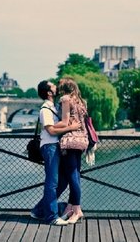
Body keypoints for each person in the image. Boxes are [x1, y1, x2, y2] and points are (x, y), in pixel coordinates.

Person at [31, 80, 80, 226]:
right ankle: (51, 217)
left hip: (57, 147)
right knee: (52, 183)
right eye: (53, 85)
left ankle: (39, 210)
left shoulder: (54, 107)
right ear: (49, 92)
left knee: (63, 181)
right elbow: (51, 130)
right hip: (49, 146)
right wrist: (71, 128)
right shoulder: (45, 109)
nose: (56, 87)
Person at [56, 77, 88, 224]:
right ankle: (71, 208)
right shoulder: (81, 101)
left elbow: (64, 121)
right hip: (82, 140)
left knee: (72, 176)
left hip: (70, 140)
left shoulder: (65, 99)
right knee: (75, 175)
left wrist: (49, 126)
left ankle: (77, 209)